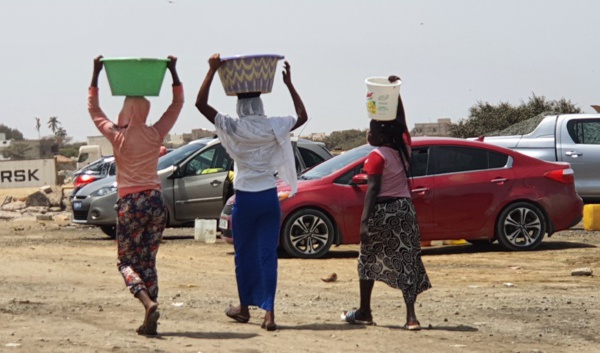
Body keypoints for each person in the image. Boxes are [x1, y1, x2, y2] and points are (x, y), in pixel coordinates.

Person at [195, 53, 307, 331]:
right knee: (268, 254)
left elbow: (200, 104)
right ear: (260, 104)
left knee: (243, 254)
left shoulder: (234, 127)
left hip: (244, 200)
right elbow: (303, 116)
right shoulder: (274, 126)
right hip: (269, 198)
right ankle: (269, 314)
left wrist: (211, 71)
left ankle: (244, 309)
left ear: (241, 107)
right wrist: (289, 84)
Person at [88, 55, 184, 336]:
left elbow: (93, 108)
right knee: (148, 260)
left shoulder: (116, 134)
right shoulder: (155, 133)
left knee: (125, 261)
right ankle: (148, 318)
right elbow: (177, 104)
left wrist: (95, 73)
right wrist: (173, 72)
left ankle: (147, 301)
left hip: (130, 203)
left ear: (125, 111)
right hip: (156, 202)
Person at [342, 75, 431, 330]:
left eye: (372, 128)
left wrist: (364, 223)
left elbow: (372, 190)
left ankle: (364, 311)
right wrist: (396, 94)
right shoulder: (403, 150)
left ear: (380, 134)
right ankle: (411, 317)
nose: (368, 132)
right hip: (404, 209)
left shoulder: (375, 157)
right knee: (407, 258)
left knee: (367, 259)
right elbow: (402, 124)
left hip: (382, 211)